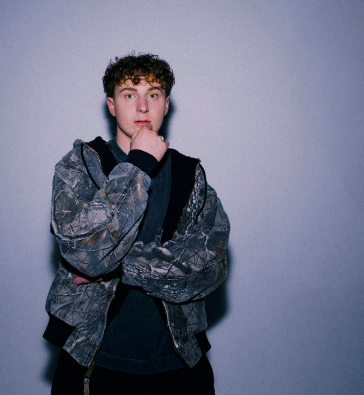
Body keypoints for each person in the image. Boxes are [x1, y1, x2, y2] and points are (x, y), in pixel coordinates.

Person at [44, 53, 230, 395]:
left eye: (153, 94)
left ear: (166, 105)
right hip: (92, 361)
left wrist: (117, 267)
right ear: (112, 105)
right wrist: (138, 164)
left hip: (178, 364)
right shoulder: (79, 166)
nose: (143, 107)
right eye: (129, 94)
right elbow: (84, 252)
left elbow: (208, 267)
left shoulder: (190, 175)